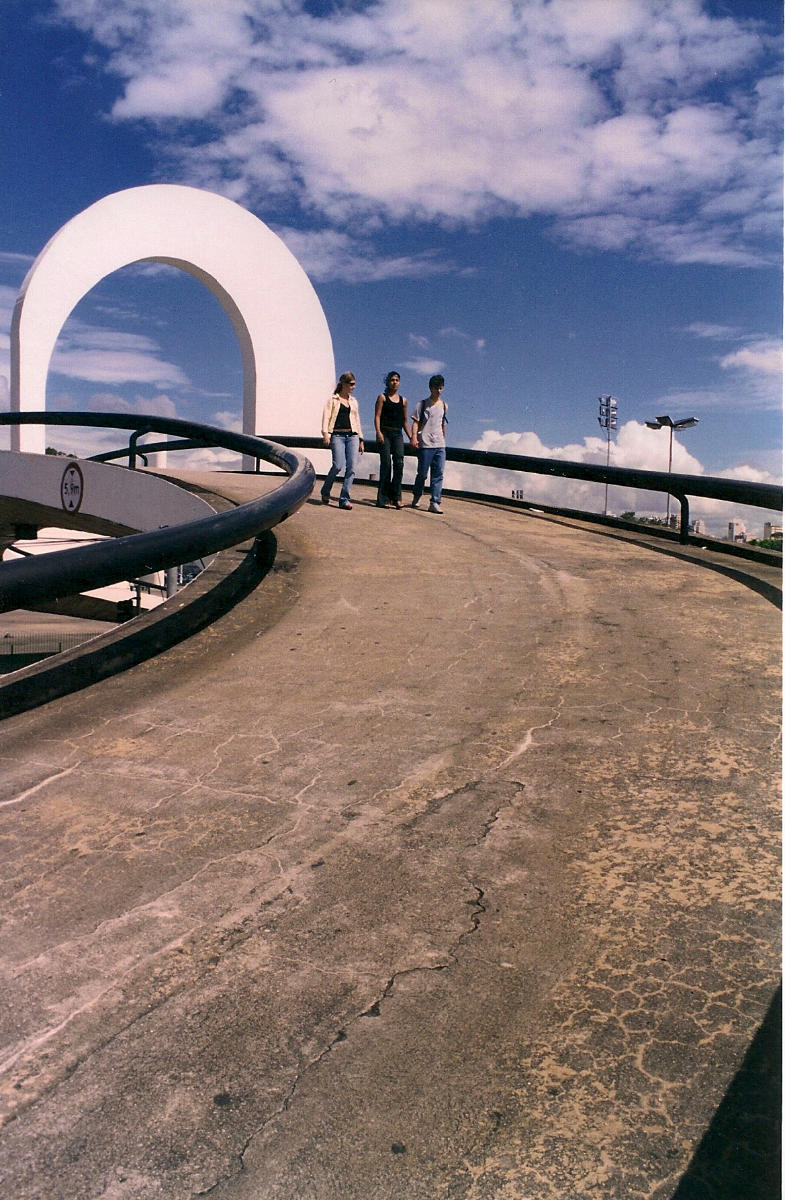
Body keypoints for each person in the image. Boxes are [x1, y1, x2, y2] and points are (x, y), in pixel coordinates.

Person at [321, 372, 364, 510]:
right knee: (338, 465)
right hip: (338, 436)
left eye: (354, 384)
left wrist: (361, 439)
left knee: (351, 467)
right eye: (351, 384)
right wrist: (326, 434)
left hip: (353, 436)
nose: (353, 387)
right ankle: (326, 490)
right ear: (344, 384)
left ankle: (344, 498)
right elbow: (326, 417)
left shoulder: (353, 402)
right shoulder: (333, 400)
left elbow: (357, 421)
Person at [410, 375, 448, 513]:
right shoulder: (422, 404)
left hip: (440, 444)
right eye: (436, 388)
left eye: (441, 388)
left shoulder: (444, 405)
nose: (438, 391)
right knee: (422, 474)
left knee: (438, 474)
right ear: (430, 388)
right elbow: (415, 422)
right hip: (425, 444)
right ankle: (417, 495)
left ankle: (435, 501)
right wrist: (414, 437)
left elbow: (442, 423)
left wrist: (443, 438)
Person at [374, 370, 411, 508]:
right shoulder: (382, 397)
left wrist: (412, 437)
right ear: (388, 382)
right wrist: (378, 432)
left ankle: (396, 497)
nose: (394, 382)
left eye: (397, 380)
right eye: (392, 380)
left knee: (399, 463)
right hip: (385, 432)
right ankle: (383, 498)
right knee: (386, 464)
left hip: (397, 434)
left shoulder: (404, 400)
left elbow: (405, 421)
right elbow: (377, 416)